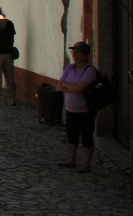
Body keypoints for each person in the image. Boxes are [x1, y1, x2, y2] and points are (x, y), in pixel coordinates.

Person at [57, 42, 98, 173]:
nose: (74, 55)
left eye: (78, 53)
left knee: (86, 136)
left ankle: (86, 164)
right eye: (73, 52)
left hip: (85, 110)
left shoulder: (90, 71)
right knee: (72, 135)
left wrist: (68, 86)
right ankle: (71, 160)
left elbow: (79, 88)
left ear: (85, 56)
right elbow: (59, 85)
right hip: (71, 109)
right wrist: (71, 87)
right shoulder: (69, 68)